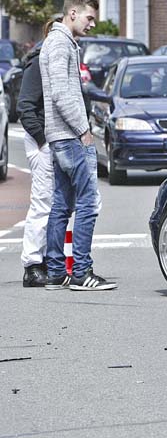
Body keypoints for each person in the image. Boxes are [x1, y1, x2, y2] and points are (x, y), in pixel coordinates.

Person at [40, 0, 116, 291]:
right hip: (70, 135)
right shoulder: (59, 44)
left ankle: (57, 272)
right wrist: (83, 129)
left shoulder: (59, 42)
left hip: (59, 135)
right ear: (72, 13)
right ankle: (82, 272)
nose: (93, 24)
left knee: (61, 204)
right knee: (88, 202)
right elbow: (61, 93)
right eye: (89, 17)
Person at [16, 16, 62, 287]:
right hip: (43, 142)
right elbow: (25, 107)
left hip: (57, 141)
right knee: (43, 202)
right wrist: (43, 139)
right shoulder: (39, 61)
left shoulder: (57, 58)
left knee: (57, 203)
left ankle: (50, 259)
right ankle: (33, 265)